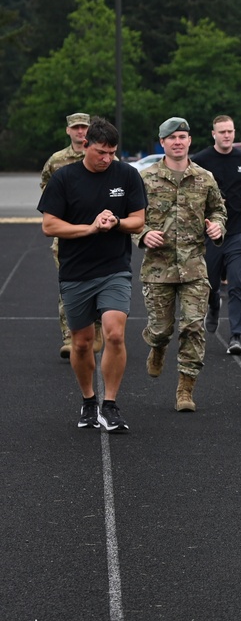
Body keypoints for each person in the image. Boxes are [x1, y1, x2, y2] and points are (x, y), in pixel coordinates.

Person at [37, 116, 147, 432]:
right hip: (76, 272)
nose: (106, 159)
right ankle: (88, 401)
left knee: (114, 332)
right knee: (82, 343)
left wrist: (116, 223)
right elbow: (49, 226)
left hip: (114, 268)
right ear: (86, 145)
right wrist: (90, 228)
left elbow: (138, 220)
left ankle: (110, 405)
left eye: (112, 153)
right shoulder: (64, 178)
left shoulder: (127, 175)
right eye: (101, 152)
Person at [136, 117, 227, 412]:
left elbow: (218, 210)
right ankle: (158, 346)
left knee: (193, 326)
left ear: (189, 142)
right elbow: (131, 217)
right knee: (162, 329)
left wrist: (218, 227)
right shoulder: (145, 178)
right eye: (172, 137)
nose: (178, 141)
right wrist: (144, 233)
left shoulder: (205, 178)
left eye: (183, 137)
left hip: (194, 268)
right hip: (157, 269)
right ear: (162, 143)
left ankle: (185, 390)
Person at [191, 115, 241, 356]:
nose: (227, 135)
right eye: (222, 132)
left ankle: (236, 335)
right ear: (214, 134)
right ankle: (213, 306)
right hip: (210, 231)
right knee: (209, 283)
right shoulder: (200, 160)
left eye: (230, 131)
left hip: (238, 229)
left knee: (237, 283)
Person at [40, 112, 104, 359]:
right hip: (67, 235)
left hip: (99, 234)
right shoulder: (56, 161)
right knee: (69, 285)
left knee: (101, 282)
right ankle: (70, 336)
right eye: (76, 128)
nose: (80, 132)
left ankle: (96, 328)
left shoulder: (104, 155)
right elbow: (47, 190)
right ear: (68, 131)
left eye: (84, 128)